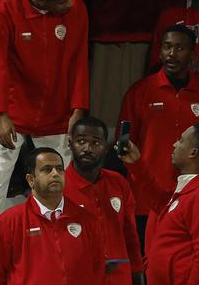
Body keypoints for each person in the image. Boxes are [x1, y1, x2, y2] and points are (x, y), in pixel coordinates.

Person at [0, 0, 90, 243]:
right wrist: (1, 113)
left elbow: (79, 60)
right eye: (62, 1)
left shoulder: (76, 7)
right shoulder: (6, 8)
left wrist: (79, 107)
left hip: (56, 111)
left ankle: (62, 238)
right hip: (11, 111)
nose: (69, 4)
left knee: (60, 180)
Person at [119, 25, 199, 239]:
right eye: (167, 47)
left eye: (179, 48)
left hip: (194, 196)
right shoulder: (139, 92)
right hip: (146, 199)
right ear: (159, 51)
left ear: (192, 53)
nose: (171, 53)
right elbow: (124, 145)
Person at [0, 147, 106, 285]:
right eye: (47, 169)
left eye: (59, 169)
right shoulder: (7, 224)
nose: (55, 174)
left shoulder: (87, 220)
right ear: (30, 180)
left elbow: (97, 269)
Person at [123, 123, 199, 285]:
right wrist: (136, 164)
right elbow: (159, 202)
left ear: (193, 152)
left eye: (181, 140)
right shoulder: (191, 188)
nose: (174, 144)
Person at [64, 118, 143, 285]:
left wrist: (137, 272)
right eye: (81, 141)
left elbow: (130, 233)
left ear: (106, 148)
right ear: (70, 143)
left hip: (119, 278)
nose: (87, 148)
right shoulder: (59, 186)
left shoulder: (118, 182)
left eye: (96, 143)